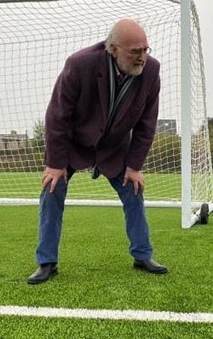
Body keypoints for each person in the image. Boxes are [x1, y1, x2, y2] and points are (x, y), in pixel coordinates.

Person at [28, 19, 168, 284]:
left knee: (134, 190)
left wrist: (134, 167)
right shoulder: (80, 64)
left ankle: (143, 255)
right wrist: (56, 164)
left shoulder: (151, 71)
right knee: (52, 189)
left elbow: (146, 124)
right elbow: (57, 115)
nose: (142, 57)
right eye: (135, 51)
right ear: (113, 49)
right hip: (73, 143)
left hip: (115, 147)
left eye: (145, 50)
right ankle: (46, 262)